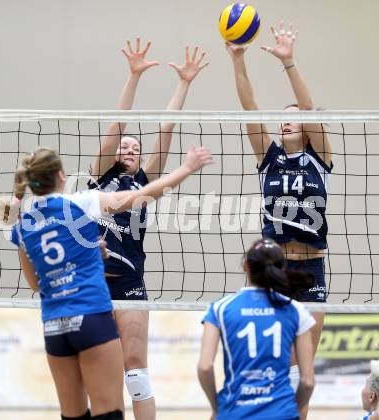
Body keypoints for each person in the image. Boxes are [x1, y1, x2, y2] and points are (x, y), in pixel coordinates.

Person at [1, 145, 212, 420]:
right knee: (108, 413)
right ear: (62, 176)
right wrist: (187, 168)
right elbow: (141, 197)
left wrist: (89, 253)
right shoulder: (80, 203)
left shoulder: (24, 225)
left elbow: (36, 285)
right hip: (91, 319)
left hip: (54, 326)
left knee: (74, 416)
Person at [88, 37, 208, 420]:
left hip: (130, 282)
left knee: (136, 372)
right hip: (93, 280)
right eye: (123, 146)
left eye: (135, 147)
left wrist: (184, 83)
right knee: (99, 375)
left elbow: (167, 129)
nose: (128, 149)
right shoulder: (97, 178)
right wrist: (133, 76)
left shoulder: (144, 183)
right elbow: (116, 124)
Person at [225, 21, 332, 407]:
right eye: (282, 115)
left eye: (293, 115)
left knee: (302, 370)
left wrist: (289, 63)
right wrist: (237, 60)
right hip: (274, 270)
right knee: (274, 363)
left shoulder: (318, 158)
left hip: (312, 271)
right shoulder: (268, 160)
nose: (287, 118)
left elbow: (308, 108)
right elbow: (250, 108)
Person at [198, 238, 316, 420]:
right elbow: (307, 382)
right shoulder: (296, 311)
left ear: (246, 266)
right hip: (282, 413)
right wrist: (291, 411)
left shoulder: (220, 308)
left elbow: (205, 367)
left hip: (234, 411)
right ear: (281, 269)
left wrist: (218, 407)